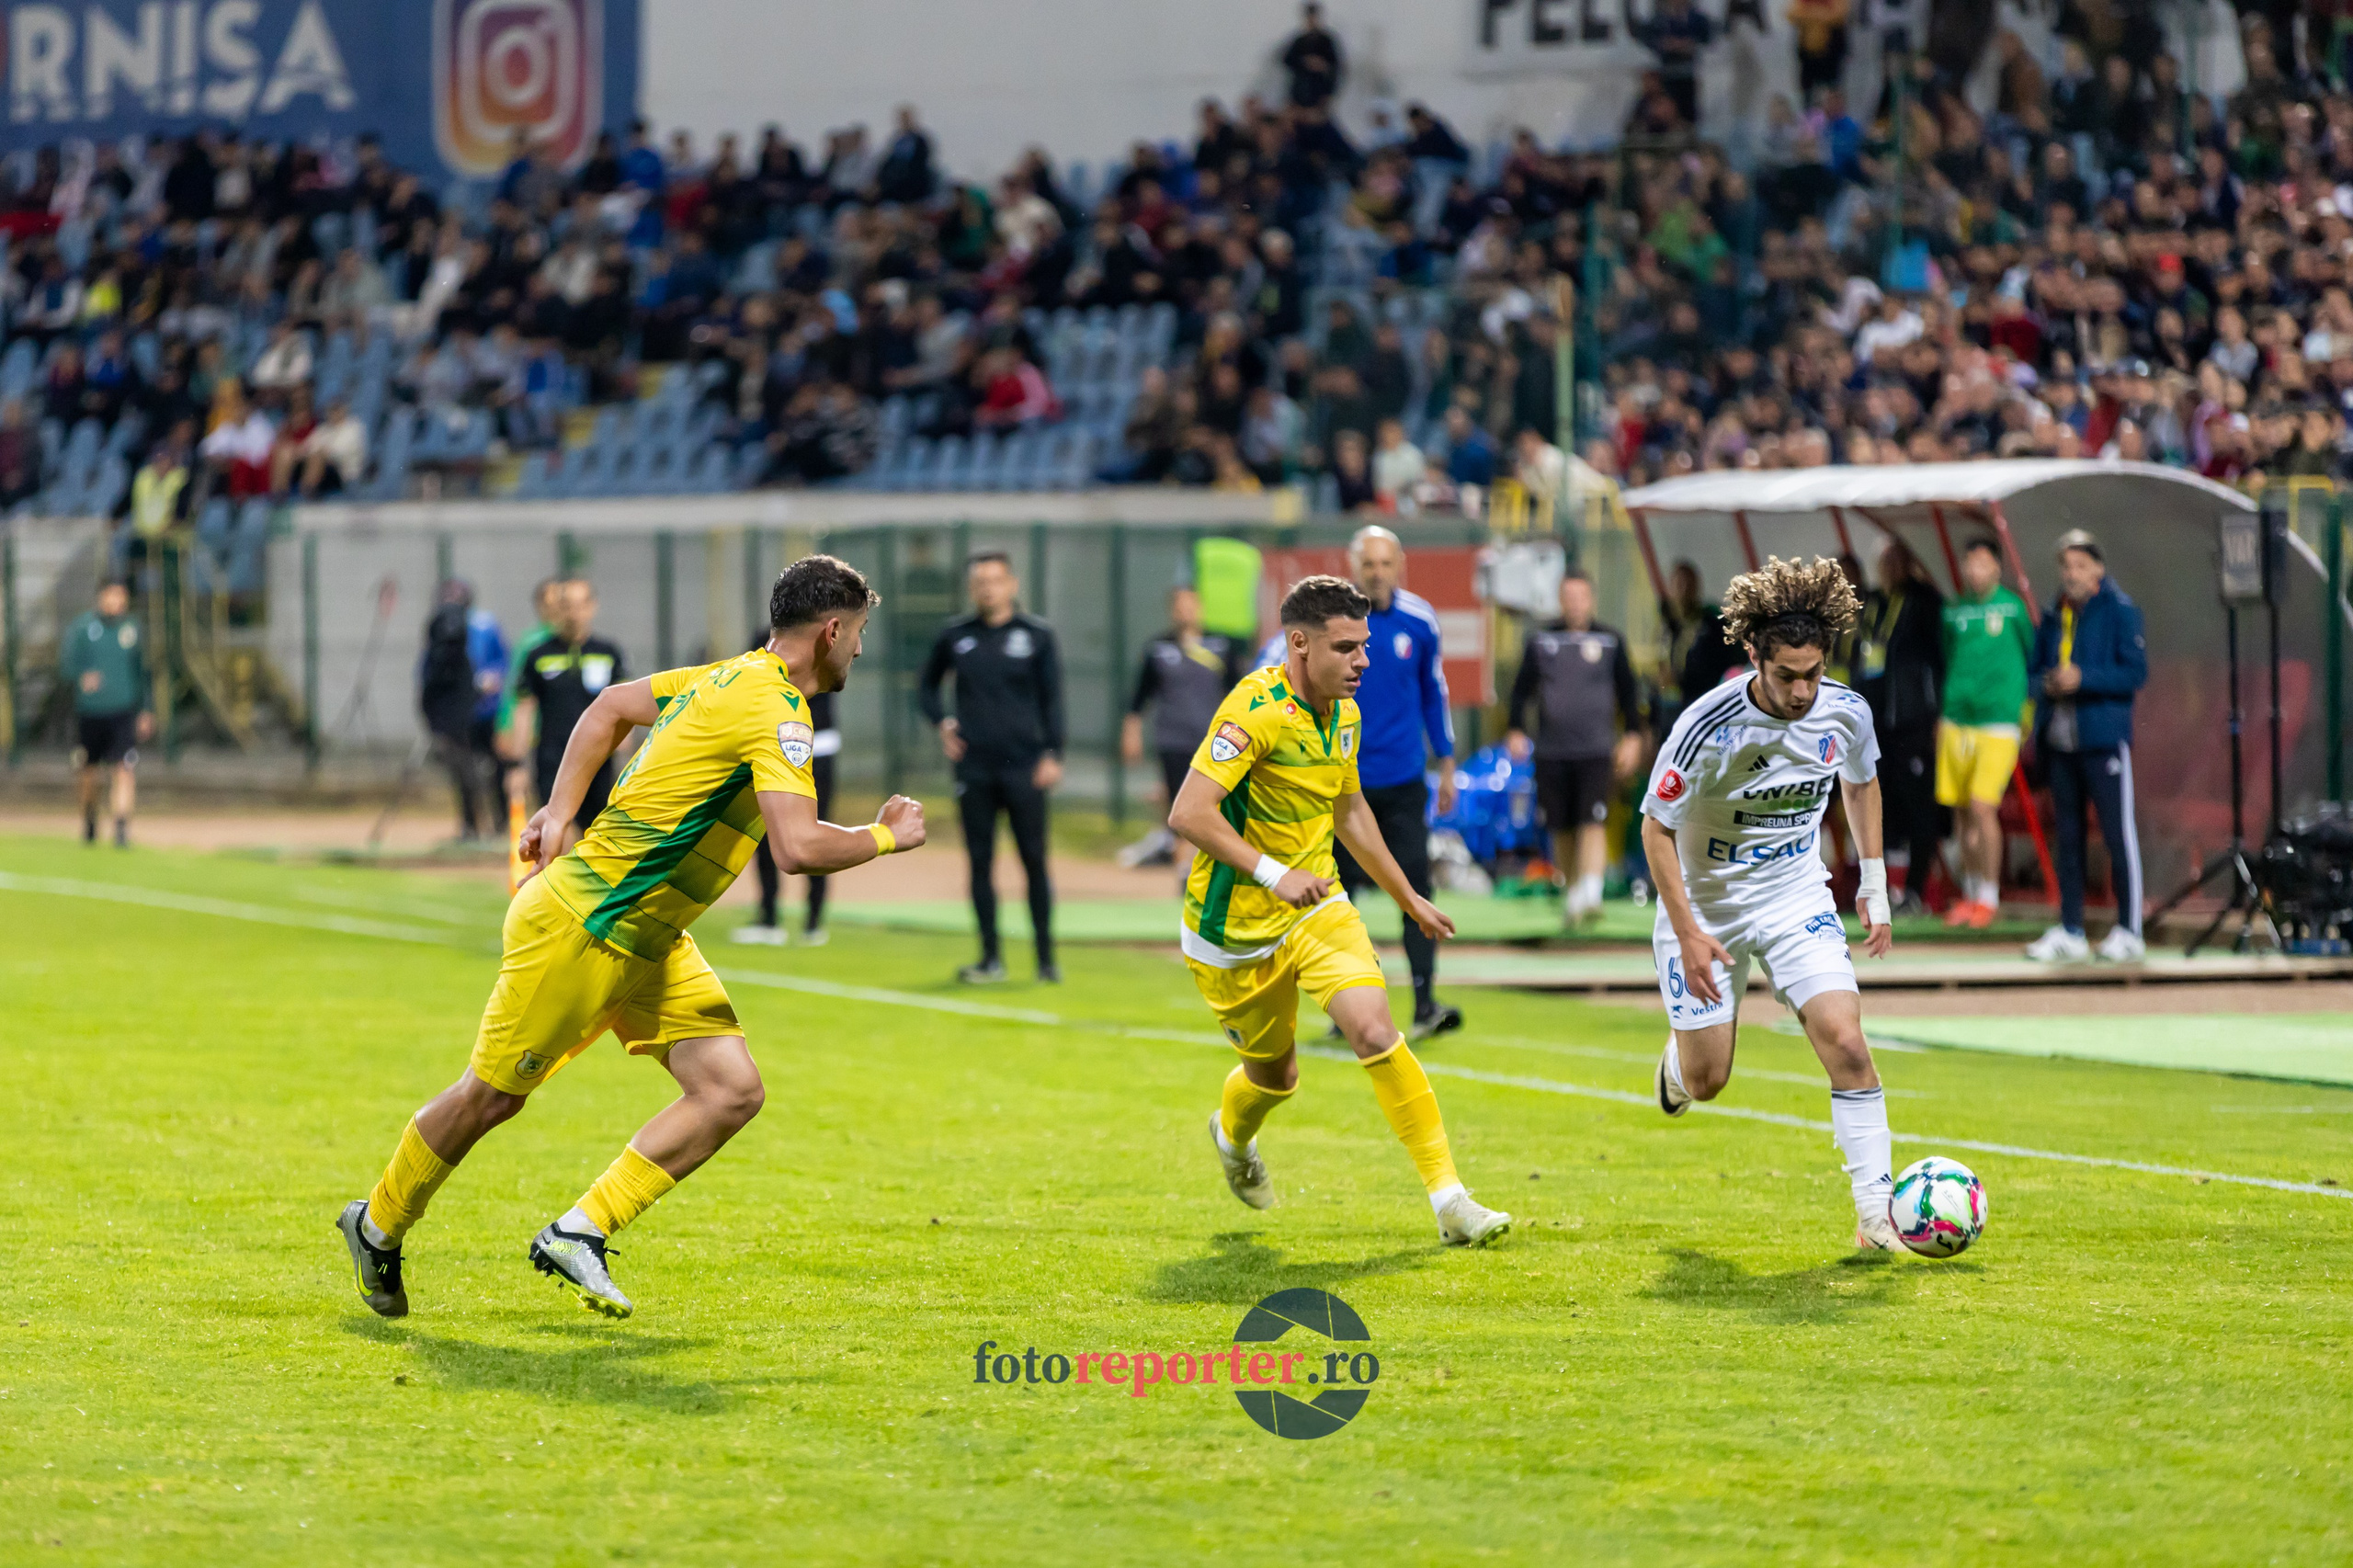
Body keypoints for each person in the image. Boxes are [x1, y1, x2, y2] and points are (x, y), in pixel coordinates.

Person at [337, 557, 927, 1321]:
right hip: (588, 924)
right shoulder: (777, 710)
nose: (859, 652)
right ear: (834, 630)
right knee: (489, 1100)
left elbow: (610, 706)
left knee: (730, 1090)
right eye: (860, 635)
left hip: (651, 935)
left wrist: (557, 809)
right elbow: (798, 849)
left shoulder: (724, 676)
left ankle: (579, 1232)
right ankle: (377, 1223)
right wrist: (884, 835)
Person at [1169, 574, 1509, 1247]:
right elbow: (1188, 813)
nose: (1364, 663)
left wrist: (1408, 894)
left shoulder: (1344, 713)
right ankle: (1233, 1138)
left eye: (1366, 646)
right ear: (1299, 643)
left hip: (1317, 907)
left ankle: (1451, 1202)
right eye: (1348, 648)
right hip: (1231, 931)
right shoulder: (1253, 711)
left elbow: (1348, 809)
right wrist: (1273, 873)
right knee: (1277, 1076)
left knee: (1375, 1030)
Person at [1642, 556, 1905, 1252]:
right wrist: (1689, 932)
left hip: (1794, 892)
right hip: (1706, 904)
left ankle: (1876, 1214)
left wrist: (1873, 889)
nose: (1800, 690)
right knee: (1709, 1081)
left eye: (1812, 673)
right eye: (1786, 675)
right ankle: (1678, 1063)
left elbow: (1863, 783)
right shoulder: (1705, 726)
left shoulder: (1846, 711)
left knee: (1847, 1042)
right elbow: (1655, 827)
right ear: (1754, 656)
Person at [1332, 527, 1463, 1039]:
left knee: (1413, 891)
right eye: (1369, 564)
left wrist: (1447, 761)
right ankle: (1348, 1011)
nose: (1378, 573)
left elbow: (1436, 694)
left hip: (1404, 779)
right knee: (1338, 900)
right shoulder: (1333, 625)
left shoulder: (1420, 620)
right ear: (1354, 566)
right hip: (1343, 787)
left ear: (1400, 565)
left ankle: (1425, 1002)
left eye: (1386, 563)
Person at [918, 551, 1065, 983]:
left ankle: (1045, 960)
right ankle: (990, 958)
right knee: (980, 862)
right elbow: (926, 686)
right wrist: (941, 722)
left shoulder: (1036, 636)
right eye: (979, 581)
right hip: (975, 768)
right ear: (971, 588)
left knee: (1034, 860)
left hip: (1025, 766)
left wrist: (1053, 753)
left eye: (995, 580)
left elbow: (1053, 698)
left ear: (1012, 584)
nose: (987, 588)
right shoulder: (955, 635)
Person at [2025, 530, 2147, 963]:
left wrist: (2084, 678)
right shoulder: (2055, 614)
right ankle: (2072, 929)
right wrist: (2047, 685)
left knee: (2117, 835)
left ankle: (2130, 930)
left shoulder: (2120, 611)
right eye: (2066, 566)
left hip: (2103, 740)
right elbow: (2032, 672)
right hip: (2061, 741)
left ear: (2098, 568)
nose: (2071, 574)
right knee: (2069, 838)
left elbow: (2134, 673)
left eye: (2080, 565)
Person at [1506, 567, 1646, 926]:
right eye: (1569, 597)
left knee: (1593, 819)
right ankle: (1572, 891)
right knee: (1561, 826)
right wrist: (1516, 729)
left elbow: (1630, 693)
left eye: (1581, 597)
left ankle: (1592, 891)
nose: (1575, 604)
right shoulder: (1541, 640)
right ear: (1560, 600)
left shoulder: (1610, 640)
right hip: (1552, 751)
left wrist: (1632, 736)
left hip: (1596, 750)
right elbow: (1521, 692)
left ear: (1591, 600)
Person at [1937, 539, 2031, 927]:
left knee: (1981, 807)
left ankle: (1989, 896)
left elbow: (2031, 652)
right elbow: (1948, 656)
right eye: (1969, 562)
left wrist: (2024, 712)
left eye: (1982, 563)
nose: (1974, 570)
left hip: (1998, 721)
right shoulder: (1954, 610)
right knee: (1961, 813)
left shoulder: (2013, 608)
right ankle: (1970, 893)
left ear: (1996, 567)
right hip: (1956, 721)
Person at [1121, 585, 1246, 869]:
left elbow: (1238, 693)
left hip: (1213, 741)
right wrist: (1131, 732)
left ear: (1200, 608)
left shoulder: (1220, 646)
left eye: (1190, 605)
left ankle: (1218, 865)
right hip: (1172, 740)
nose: (1184, 611)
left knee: (1217, 804)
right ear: (1171, 611)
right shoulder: (1158, 648)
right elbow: (1139, 698)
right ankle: (1182, 871)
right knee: (1181, 804)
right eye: (1179, 606)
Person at [1857, 540, 1944, 917]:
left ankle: (1916, 889)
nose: (1889, 569)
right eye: (1883, 562)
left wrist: (1935, 714)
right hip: (1878, 725)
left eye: (1896, 561)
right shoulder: (1872, 602)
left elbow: (1938, 659)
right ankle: (1889, 888)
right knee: (1884, 804)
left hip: (1913, 721)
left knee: (1919, 805)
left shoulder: (1924, 600)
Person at [508, 579, 627, 858]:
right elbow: (524, 709)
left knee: (596, 837)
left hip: (599, 760)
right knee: (556, 831)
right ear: (556, 609)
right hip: (553, 759)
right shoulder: (538, 656)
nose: (573, 612)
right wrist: (517, 765)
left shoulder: (609, 653)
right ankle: (557, 896)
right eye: (566, 605)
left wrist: (626, 759)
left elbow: (626, 709)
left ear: (592, 607)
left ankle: (590, 898)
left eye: (579, 604)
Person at [735, 660, 840, 945]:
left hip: (819, 746)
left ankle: (814, 921)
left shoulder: (830, 641)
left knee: (817, 830)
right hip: (774, 747)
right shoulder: (766, 645)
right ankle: (769, 918)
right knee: (765, 830)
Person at [60, 580, 153, 847]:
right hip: (90, 712)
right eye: (111, 595)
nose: (116, 601)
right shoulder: (82, 628)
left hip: (123, 711)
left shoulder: (131, 629)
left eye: (120, 596)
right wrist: (82, 676)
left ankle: (121, 828)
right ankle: (90, 818)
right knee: (89, 772)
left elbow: (142, 670)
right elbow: (66, 665)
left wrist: (145, 709)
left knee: (123, 768)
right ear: (101, 597)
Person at [419, 581, 504, 841]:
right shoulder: (437, 627)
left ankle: (501, 823)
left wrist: (492, 679)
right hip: (455, 714)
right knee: (462, 770)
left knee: (494, 767)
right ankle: (471, 824)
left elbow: (502, 660)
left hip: (486, 711)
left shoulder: (485, 625)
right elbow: (429, 667)